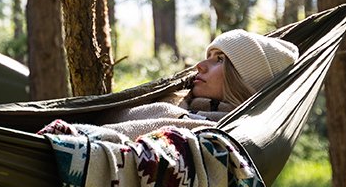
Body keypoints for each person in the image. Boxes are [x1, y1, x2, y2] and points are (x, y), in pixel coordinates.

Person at [96, 29, 299, 138]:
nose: (200, 65)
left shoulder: (230, 133)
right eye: (208, 56)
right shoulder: (173, 101)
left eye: (219, 59)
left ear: (243, 79)